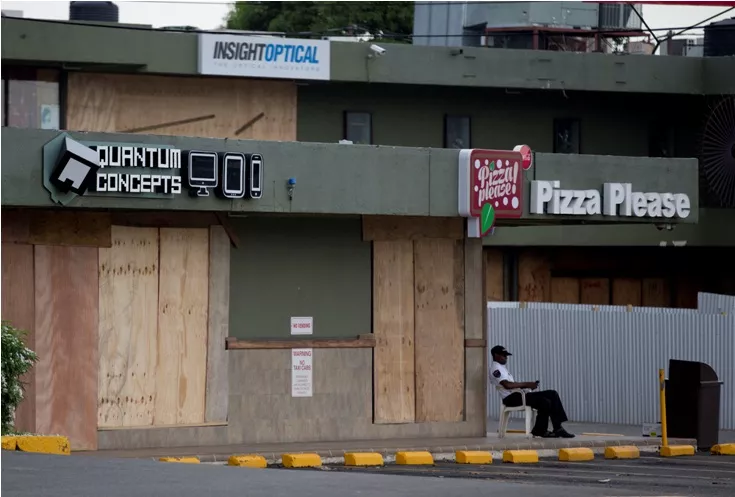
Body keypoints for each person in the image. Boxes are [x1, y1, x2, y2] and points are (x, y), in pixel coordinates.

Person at [489, 345, 574, 438]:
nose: (506, 357)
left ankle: (552, 429)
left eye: (506, 355)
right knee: (546, 400)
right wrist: (527, 384)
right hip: (511, 398)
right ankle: (547, 430)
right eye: (503, 355)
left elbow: (512, 384)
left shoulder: (502, 368)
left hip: (517, 395)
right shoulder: (496, 368)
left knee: (550, 396)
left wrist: (527, 387)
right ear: (496, 355)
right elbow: (507, 385)